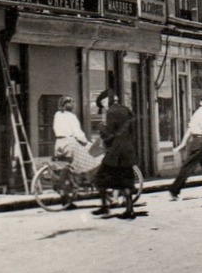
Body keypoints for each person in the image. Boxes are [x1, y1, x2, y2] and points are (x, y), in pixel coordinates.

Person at [91, 89, 140, 218]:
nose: (104, 107)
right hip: (127, 151)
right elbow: (132, 130)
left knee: (99, 178)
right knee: (126, 181)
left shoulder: (111, 112)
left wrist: (101, 128)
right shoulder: (126, 110)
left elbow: (109, 135)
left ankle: (104, 207)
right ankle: (130, 210)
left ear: (107, 100)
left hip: (115, 153)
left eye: (103, 104)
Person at [51, 96, 96, 173]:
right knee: (91, 154)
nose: (74, 105)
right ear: (69, 105)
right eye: (72, 103)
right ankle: (84, 174)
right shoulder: (71, 116)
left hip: (59, 144)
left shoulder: (57, 114)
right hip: (70, 144)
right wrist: (85, 141)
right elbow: (78, 133)